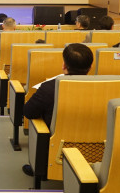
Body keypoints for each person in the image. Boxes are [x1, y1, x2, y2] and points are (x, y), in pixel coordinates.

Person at [21, 43, 93, 177]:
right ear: (90, 67)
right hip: (94, 151)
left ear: (64, 66)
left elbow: (28, 112)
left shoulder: (49, 88)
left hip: (57, 150)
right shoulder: (106, 88)